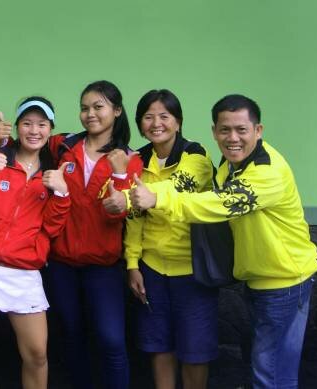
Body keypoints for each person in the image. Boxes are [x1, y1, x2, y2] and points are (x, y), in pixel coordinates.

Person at [130, 94, 317, 389]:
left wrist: (158, 198)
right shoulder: (231, 162)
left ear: (258, 131)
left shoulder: (267, 171)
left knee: (271, 374)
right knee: (264, 366)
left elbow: (219, 203)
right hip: (259, 279)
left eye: (241, 130)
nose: (232, 138)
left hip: (285, 282)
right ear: (214, 131)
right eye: (224, 130)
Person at [0, 80, 143, 389]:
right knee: (71, 336)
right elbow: (29, 143)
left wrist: (119, 174)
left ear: (116, 111)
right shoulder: (62, 145)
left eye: (99, 107)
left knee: (111, 340)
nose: (90, 114)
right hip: (61, 261)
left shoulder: (130, 158)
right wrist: (2, 143)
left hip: (102, 265)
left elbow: (118, 211)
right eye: (85, 108)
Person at [0, 97, 71, 389]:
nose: (34, 130)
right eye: (27, 123)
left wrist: (62, 194)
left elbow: (52, 227)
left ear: (50, 129)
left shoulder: (51, 172)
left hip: (23, 270)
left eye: (42, 124)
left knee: (37, 354)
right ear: (17, 127)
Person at [124, 89, 217, 389]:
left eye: (164, 116)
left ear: (178, 122)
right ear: (140, 124)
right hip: (151, 268)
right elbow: (134, 217)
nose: (156, 123)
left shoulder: (196, 155)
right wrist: (132, 263)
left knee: (195, 351)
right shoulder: (137, 160)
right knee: (159, 345)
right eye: (148, 117)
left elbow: (178, 188)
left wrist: (134, 197)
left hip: (193, 271)